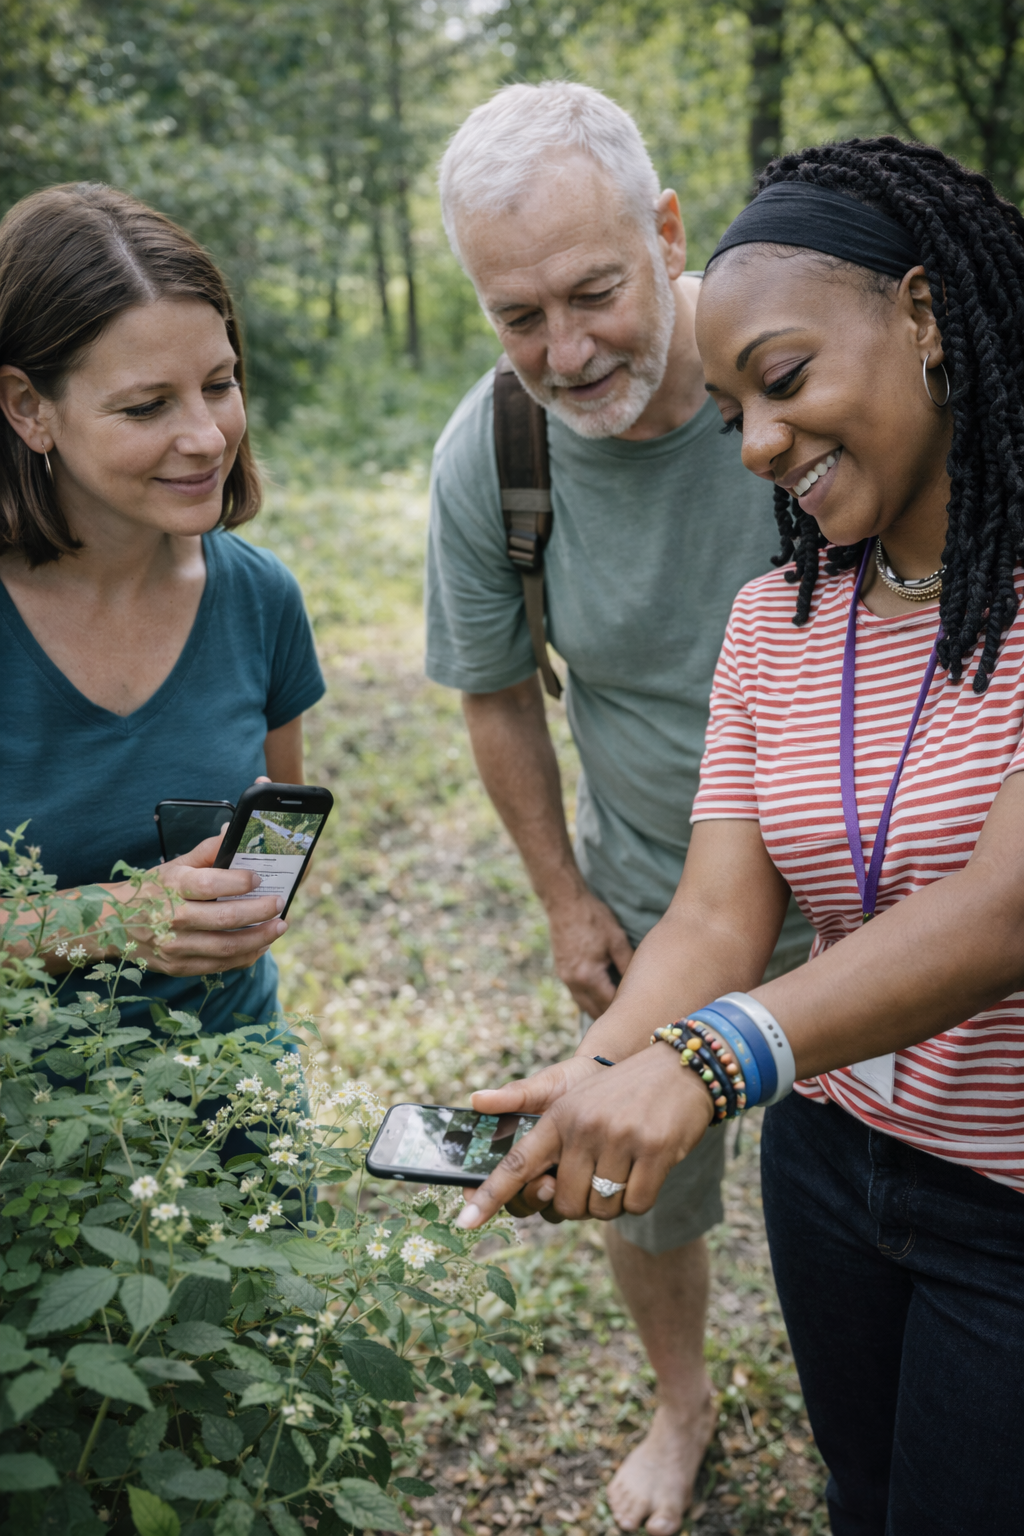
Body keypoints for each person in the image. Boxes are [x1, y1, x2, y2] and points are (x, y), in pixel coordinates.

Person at [456, 137, 1024, 1536]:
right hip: (835, 1162)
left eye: (784, 381)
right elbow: (718, 912)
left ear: (924, 314)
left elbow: (1003, 908)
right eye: (735, 416)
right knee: (864, 1496)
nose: (761, 443)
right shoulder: (778, 617)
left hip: (1009, 1202)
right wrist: (603, 1070)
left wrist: (707, 1061)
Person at [427, 82, 813, 1533]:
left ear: (667, 231)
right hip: (661, 889)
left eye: (594, 293)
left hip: (888, 886)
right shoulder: (496, 454)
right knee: (637, 1170)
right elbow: (494, 692)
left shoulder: (795, 378)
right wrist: (565, 897)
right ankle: (681, 1399)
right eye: (517, 317)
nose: (566, 351)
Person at [0, 183, 324, 1035]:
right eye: (147, 406)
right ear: (29, 408)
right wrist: (115, 920)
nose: (209, 437)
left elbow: (276, 858)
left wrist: (242, 891)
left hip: (235, 1085)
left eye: (219, 384)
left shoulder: (261, 597)